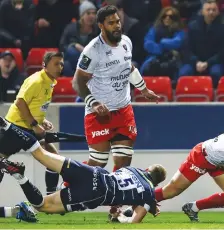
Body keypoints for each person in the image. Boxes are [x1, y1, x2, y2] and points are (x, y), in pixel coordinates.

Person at [0, 116, 167, 223]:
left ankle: (7, 126)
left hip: (92, 172)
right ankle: (19, 176)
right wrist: (121, 217)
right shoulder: (148, 192)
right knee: (42, 205)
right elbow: (135, 221)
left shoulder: (133, 170)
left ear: (146, 169)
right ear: (156, 182)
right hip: (95, 193)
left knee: (40, 153)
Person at [72, 5, 159, 172]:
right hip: (99, 113)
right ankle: (71, 183)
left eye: (118, 21)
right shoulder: (92, 50)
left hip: (123, 110)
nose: (117, 26)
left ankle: (115, 197)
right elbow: (78, 81)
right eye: (111, 23)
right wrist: (94, 103)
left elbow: (129, 69)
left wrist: (144, 90)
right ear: (101, 26)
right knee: (98, 165)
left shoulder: (126, 42)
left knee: (123, 163)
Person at [0, 52, 64, 195]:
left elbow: (34, 105)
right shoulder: (36, 81)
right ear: (44, 65)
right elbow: (20, 102)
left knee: (53, 156)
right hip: (16, 128)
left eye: (61, 64)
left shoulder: (50, 82)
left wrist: (42, 121)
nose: (59, 67)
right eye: (56, 64)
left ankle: (51, 194)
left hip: (29, 129)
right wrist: (35, 124)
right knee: (1, 162)